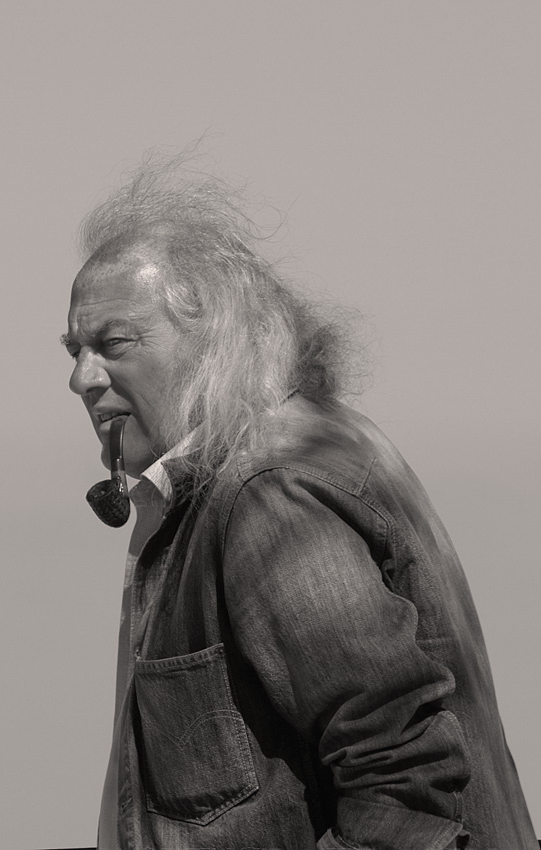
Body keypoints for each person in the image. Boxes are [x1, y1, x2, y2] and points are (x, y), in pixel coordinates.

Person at [62, 156, 537, 850]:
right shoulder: (287, 458)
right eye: (74, 350)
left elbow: (406, 787)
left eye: (113, 343)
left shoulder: (270, 494)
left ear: (214, 342)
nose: (81, 378)